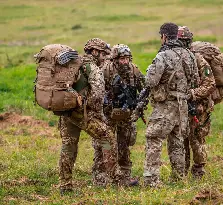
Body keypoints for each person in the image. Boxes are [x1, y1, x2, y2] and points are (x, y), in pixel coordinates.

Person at [58, 38, 123, 195]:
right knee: (107, 139)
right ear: (94, 52)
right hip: (84, 115)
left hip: (67, 113)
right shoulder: (93, 68)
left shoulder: (74, 64)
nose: (105, 58)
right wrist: (95, 114)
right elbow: (98, 95)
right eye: (102, 54)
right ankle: (115, 179)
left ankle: (65, 185)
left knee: (69, 147)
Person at [143, 22, 198, 187]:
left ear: (164, 37)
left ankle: (151, 180)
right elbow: (195, 81)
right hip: (183, 105)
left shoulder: (163, 56)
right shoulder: (189, 55)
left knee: (154, 138)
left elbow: (150, 80)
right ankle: (179, 178)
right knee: (177, 141)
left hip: (165, 105)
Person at [92, 44, 145, 186]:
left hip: (126, 115)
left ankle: (125, 175)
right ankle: (100, 175)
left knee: (124, 144)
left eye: (127, 58)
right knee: (104, 144)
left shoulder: (134, 70)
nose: (125, 61)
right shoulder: (105, 70)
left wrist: (139, 105)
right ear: (115, 59)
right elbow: (96, 91)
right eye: (122, 58)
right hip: (108, 114)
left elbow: (144, 89)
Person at [178, 26, 216, 178]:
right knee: (182, 139)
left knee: (197, 138)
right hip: (183, 107)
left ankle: (199, 170)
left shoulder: (200, 60)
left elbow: (210, 83)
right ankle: (183, 169)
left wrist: (193, 94)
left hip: (199, 107)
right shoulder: (176, 59)